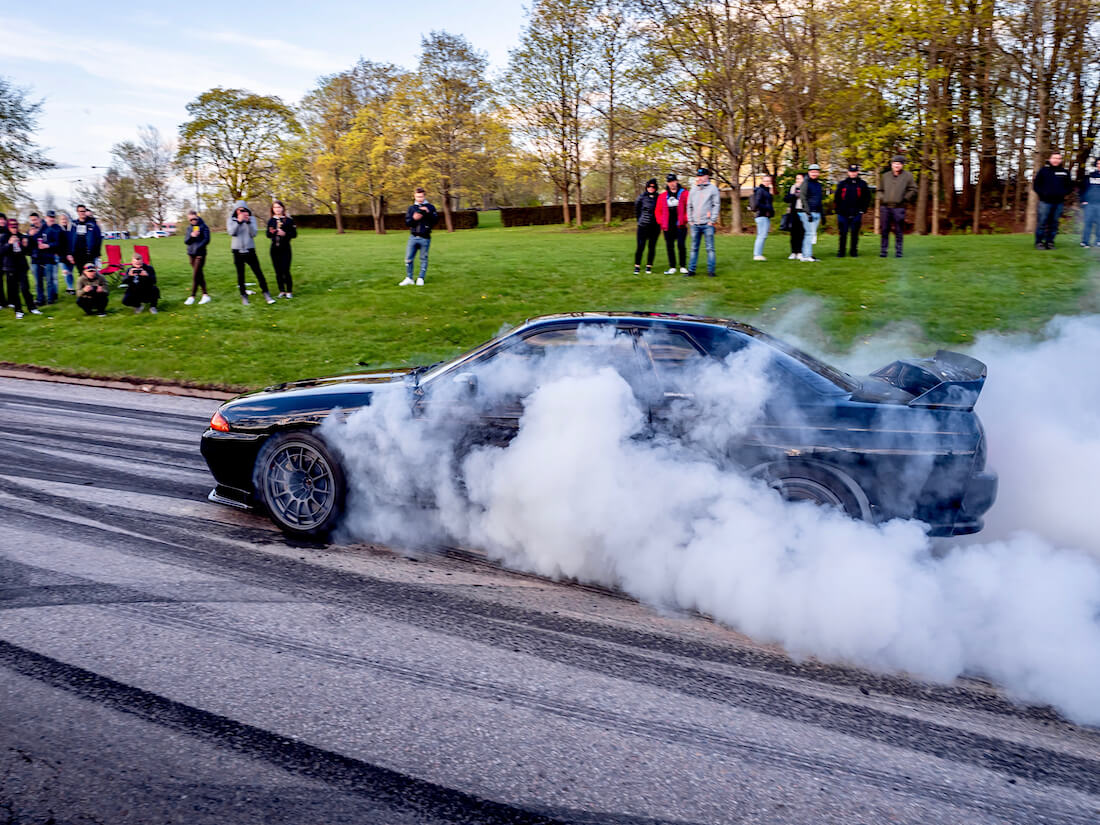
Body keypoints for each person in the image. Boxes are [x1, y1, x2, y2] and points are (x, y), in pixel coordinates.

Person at [227, 201, 274, 305]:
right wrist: (239, 222)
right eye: (240, 210)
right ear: (236, 211)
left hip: (250, 249)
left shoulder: (251, 219)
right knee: (240, 275)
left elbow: (254, 233)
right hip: (237, 251)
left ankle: (266, 293)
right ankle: (243, 295)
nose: (242, 212)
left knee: (258, 272)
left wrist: (248, 223)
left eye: (244, 210)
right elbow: (231, 232)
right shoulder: (231, 219)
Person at [1032, 151, 1075, 249]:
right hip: (1045, 202)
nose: (1056, 160)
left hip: (1058, 203)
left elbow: (1070, 187)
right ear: (1050, 159)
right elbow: (1036, 185)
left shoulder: (1065, 172)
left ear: (1060, 160)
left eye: (1058, 158)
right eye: (1054, 158)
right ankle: (1039, 242)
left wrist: (1063, 193)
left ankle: (1050, 242)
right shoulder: (1043, 171)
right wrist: (1043, 194)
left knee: (1054, 223)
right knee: (1042, 223)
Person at [2, 218, 41, 318]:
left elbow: (28, 252)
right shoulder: (4, 237)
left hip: (22, 267)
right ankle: (18, 310)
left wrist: (25, 245)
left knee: (25, 289)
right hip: (10, 268)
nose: (14, 229)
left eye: (16, 227)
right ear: (9, 227)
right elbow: (1, 251)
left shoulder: (21, 236)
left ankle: (32, 308)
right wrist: (9, 244)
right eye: (12, 227)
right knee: (14, 290)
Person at [879, 155, 917, 258]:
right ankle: (883, 252)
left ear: (902, 165)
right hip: (885, 208)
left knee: (899, 230)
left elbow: (913, 189)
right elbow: (880, 190)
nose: (896, 165)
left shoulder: (908, 176)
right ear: (891, 165)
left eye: (899, 164)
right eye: (894, 164)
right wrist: (883, 198)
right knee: (884, 230)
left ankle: (898, 252)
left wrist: (905, 199)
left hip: (899, 208)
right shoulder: (885, 176)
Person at [400, 187, 438, 286]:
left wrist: (428, 213)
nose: (419, 199)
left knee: (423, 258)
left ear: (424, 196)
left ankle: (421, 278)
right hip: (413, 237)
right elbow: (407, 223)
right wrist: (414, 218)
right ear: (414, 196)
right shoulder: (411, 208)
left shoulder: (430, 207)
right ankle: (409, 278)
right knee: (408, 258)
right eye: (417, 197)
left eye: (421, 196)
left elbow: (435, 221)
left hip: (425, 237)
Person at [686, 167, 720, 277]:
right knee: (693, 248)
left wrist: (712, 220)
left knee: (710, 248)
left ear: (707, 176)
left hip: (707, 224)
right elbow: (689, 205)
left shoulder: (713, 189)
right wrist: (690, 220)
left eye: (701, 176)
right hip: (695, 224)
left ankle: (711, 271)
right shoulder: (693, 189)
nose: (699, 178)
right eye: (698, 176)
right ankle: (691, 271)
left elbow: (716, 205)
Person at [834, 165, 871, 257]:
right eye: (851, 171)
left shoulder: (862, 184)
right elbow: (837, 197)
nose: (853, 173)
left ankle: (853, 251)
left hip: (856, 212)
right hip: (843, 213)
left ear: (857, 172)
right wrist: (838, 210)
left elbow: (867, 198)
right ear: (848, 172)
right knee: (843, 233)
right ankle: (841, 251)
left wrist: (863, 210)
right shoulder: (842, 184)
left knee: (855, 233)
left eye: (854, 171)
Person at [655, 173, 688, 273]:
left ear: (677, 181)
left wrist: (685, 219)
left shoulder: (684, 193)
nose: (672, 184)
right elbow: (657, 211)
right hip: (668, 226)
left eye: (673, 181)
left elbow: (690, 208)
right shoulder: (663, 196)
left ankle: (682, 266)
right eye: (670, 182)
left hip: (680, 225)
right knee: (670, 246)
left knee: (681, 245)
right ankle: (672, 267)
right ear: (667, 183)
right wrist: (661, 222)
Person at [28, 212, 62, 305]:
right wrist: (30, 236)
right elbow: (28, 247)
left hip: (48, 258)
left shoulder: (49, 229)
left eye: (35, 219)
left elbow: (57, 243)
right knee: (38, 281)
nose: (34, 222)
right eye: (32, 220)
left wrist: (47, 245)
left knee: (49, 280)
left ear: (40, 219)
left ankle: (50, 299)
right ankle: (40, 300)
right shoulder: (30, 231)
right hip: (36, 259)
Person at [267, 200, 298, 298]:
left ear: (283, 208)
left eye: (279, 207)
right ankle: (282, 290)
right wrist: (273, 232)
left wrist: (285, 234)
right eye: (275, 207)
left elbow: (294, 234)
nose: (277, 209)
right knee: (278, 271)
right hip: (274, 249)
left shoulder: (288, 220)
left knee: (286, 270)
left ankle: (289, 291)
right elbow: (267, 235)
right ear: (272, 209)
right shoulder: (271, 221)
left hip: (285, 249)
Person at [183, 210, 212, 305]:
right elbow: (186, 241)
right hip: (191, 254)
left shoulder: (204, 227)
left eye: (194, 219)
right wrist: (192, 236)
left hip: (200, 254)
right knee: (199, 274)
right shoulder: (189, 229)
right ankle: (205, 295)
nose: (193, 221)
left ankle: (192, 296)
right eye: (191, 220)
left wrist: (198, 247)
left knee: (196, 274)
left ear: (197, 217)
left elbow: (207, 240)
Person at [798, 164, 825, 262]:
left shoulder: (818, 184)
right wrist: (807, 212)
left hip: (817, 212)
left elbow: (819, 199)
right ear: (809, 172)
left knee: (812, 234)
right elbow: (803, 198)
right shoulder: (806, 183)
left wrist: (823, 214)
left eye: (816, 172)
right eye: (812, 172)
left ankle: (808, 254)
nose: (814, 173)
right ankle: (806, 256)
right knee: (809, 234)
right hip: (809, 212)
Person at [633, 178, 660, 274]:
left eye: (653, 186)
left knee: (652, 247)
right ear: (646, 187)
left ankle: (649, 266)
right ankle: (637, 266)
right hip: (643, 226)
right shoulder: (641, 197)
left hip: (655, 226)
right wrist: (640, 221)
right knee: (640, 246)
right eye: (649, 186)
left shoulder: (659, 197)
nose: (651, 188)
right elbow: (637, 210)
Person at [66, 204, 102, 274]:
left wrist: (97, 254)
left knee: (90, 274)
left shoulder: (92, 225)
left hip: (89, 254)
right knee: (81, 274)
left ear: (85, 211)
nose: (82, 213)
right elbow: (69, 240)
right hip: (77, 254)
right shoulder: (73, 224)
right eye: (80, 211)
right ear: (77, 212)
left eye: (83, 211)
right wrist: (69, 253)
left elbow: (98, 239)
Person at [750, 175, 775, 261]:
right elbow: (757, 203)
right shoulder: (760, 191)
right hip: (761, 215)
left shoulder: (766, 190)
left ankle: (758, 254)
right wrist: (768, 208)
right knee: (761, 235)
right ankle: (757, 255)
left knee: (762, 235)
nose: (767, 182)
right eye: (765, 181)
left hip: (765, 216)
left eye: (769, 181)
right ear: (762, 181)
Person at [784, 173, 806, 260]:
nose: (798, 180)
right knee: (794, 233)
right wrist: (794, 195)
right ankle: (794, 252)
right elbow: (786, 199)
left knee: (802, 233)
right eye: (797, 178)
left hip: (803, 211)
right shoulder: (793, 188)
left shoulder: (807, 187)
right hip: (794, 212)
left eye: (800, 178)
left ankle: (800, 251)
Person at [1080, 157, 1100, 248]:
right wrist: (1083, 200)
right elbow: (1082, 189)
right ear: (1096, 165)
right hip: (1089, 204)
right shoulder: (1090, 176)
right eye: (1098, 163)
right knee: (1088, 222)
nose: (1099, 165)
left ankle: (1098, 241)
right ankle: (1085, 242)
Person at [57, 211, 75, 294]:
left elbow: (73, 242)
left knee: (70, 272)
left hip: (71, 254)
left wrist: (71, 254)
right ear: (59, 220)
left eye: (65, 219)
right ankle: (70, 287)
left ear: (68, 219)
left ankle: (70, 288)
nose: (64, 220)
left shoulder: (72, 229)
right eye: (62, 219)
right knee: (65, 272)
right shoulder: (58, 229)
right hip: (62, 255)